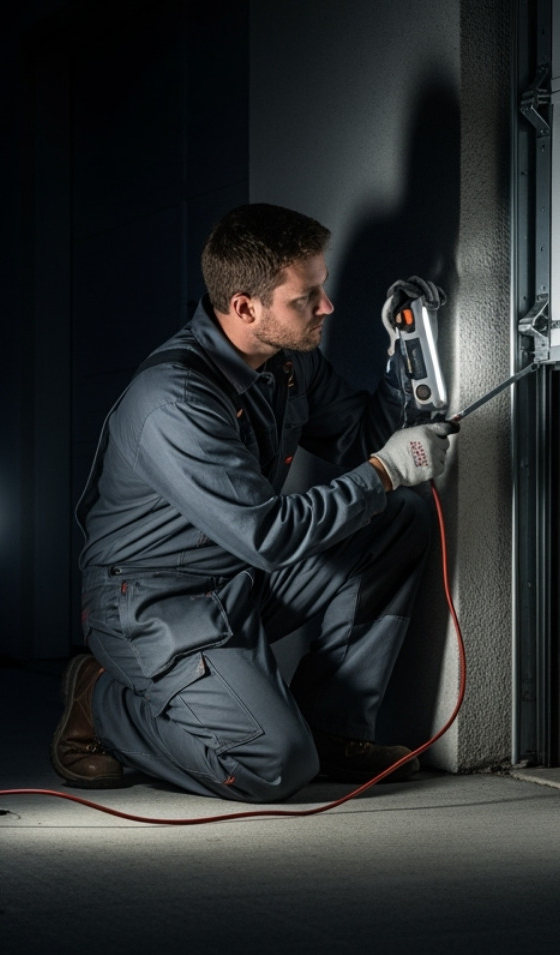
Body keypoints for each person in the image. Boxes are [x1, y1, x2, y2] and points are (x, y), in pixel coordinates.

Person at [52, 203, 456, 803]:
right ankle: (102, 701)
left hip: (237, 577)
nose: (327, 306)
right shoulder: (173, 402)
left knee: (399, 516)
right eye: (307, 296)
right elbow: (269, 535)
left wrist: (407, 352)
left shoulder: (287, 364)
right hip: (156, 603)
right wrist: (386, 470)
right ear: (245, 307)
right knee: (272, 765)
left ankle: (335, 727)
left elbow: (360, 445)